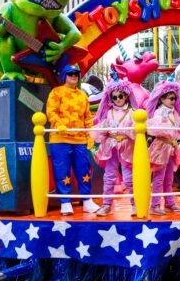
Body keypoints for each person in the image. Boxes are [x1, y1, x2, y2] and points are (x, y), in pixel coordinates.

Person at [46, 64, 99, 215]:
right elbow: (51, 112)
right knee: (62, 171)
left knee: (84, 170)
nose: (74, 76)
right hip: (60, 139)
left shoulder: (83, 96)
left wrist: (90, 135)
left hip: (80, 140)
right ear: (65, 76)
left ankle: (87, 200)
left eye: (76, 74)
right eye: (70, 74)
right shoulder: (56, 92)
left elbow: (87, 118)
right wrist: (59, 125)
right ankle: (65, 202)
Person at [91, 78, 137, 217]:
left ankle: (135, 204)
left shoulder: (133, 112)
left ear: (126, 95)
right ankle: (106, 205)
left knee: (129, 178)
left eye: (120, 96)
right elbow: (103, 129)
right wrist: (105, 130)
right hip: (111, 147)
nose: (117, 99)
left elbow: (136, 131)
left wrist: (126, 132)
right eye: (114, 97)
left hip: (126, 146)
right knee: (109, 176)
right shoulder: (109, 112)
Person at [145, 77, 180, 215]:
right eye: (170, 98)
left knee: (169, 178)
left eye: (175, 98)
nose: (173, 101)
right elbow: (155, 128)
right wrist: (164, 124)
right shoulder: (159, 112)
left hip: (171, 147)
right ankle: (155, 205)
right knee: (159, 177)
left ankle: (169, 202)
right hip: (161, 147)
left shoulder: (174, 113)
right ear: (162, 99)